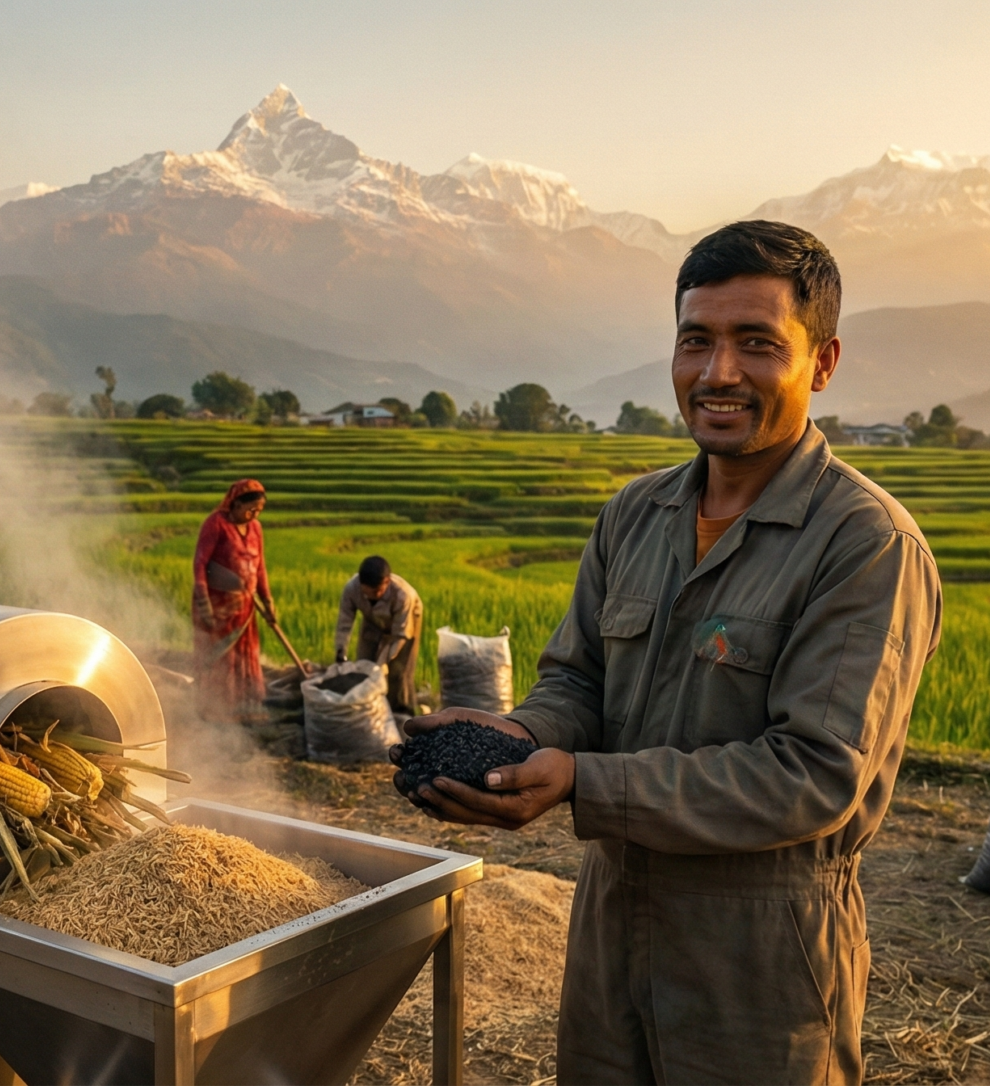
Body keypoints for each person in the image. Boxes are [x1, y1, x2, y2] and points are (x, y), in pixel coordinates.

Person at [401, 221, 942, 1085]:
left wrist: (582, 782)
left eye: (757, 343)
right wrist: (518, 738)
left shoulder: (865, 544)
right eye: (697, 340)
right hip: (612, 923)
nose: (718, 372)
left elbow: (812, 775)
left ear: (823, 362)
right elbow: (578, 682)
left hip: (759, 952)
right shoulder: (635, 515)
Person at [190, 479, 278, 721]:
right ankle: (216, 709)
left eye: (259, 511)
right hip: (218, 607)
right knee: (221, 657)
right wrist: (204, 603)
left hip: (245, 608)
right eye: (250, 510)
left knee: (245, 657)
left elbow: (260, 567)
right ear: (235, 504)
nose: (254, 515)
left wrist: (267, 601)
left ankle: (245, 708)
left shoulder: (256, 529)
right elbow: (200, 563)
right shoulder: (216, 524)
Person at [334, 554, 422, 716]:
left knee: (399, 671)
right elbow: (344, 622)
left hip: (405, 624)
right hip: (372, 618)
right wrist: (340, 652)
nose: (370, 596)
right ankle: (368, 709)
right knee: (364, 663)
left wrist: (383, 663)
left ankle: (402, 713)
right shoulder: (351, 589)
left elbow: (400, 635)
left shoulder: (403, 596)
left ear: (387, 582)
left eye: (376, 592)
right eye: (366, 593)